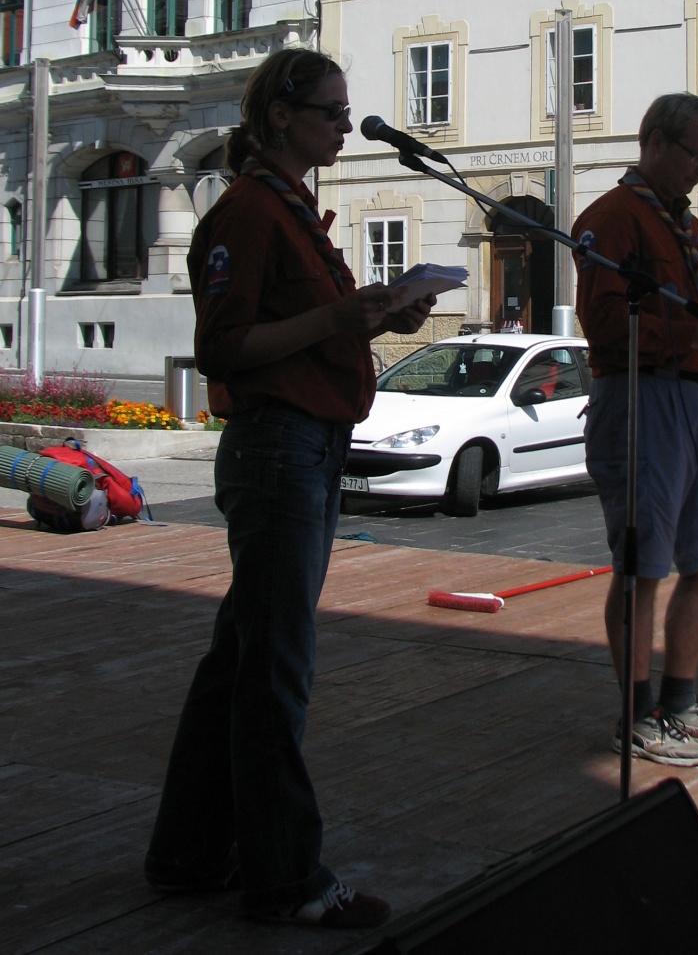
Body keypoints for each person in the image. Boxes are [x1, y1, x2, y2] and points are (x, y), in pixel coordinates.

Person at [145, 48, 433, 930]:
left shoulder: (294, 210)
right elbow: (224, 350)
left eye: (345, 113)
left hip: (304, 444)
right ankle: (285, 878)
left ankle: (190, 852)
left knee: (241, 661)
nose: (345, 126)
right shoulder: (248, 211)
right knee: (274, 669)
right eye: (330, 112)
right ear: (279, 113)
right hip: (279, 447)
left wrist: (376, 315)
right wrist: (338, 316)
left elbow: (304, 330)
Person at [573, 93, 698, 767]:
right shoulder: (611, 218)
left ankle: (681, 700)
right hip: (640, 394)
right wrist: (694, 335)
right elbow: (605, 326)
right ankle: (637, 715)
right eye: (695, 155)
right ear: (655, 142)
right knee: (643, 563)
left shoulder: (685, 223)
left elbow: (693, 315)